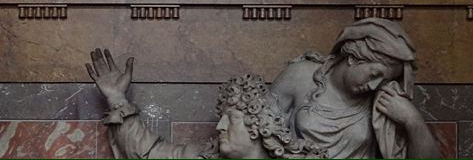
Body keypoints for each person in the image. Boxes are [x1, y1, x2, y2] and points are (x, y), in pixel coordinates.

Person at [86, 49, 326, 159]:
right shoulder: (203, 157)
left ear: (259, 126)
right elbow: (150, 152)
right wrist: (117, 98)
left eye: (231, 118)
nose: (220, 126)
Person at [269, 18, 441, 158]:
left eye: (383, 80)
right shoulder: (300, 76)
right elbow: (258, 136)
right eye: (374, 74)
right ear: (353, 57)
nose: (374, 85)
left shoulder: (382, 99)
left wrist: (412, 120)